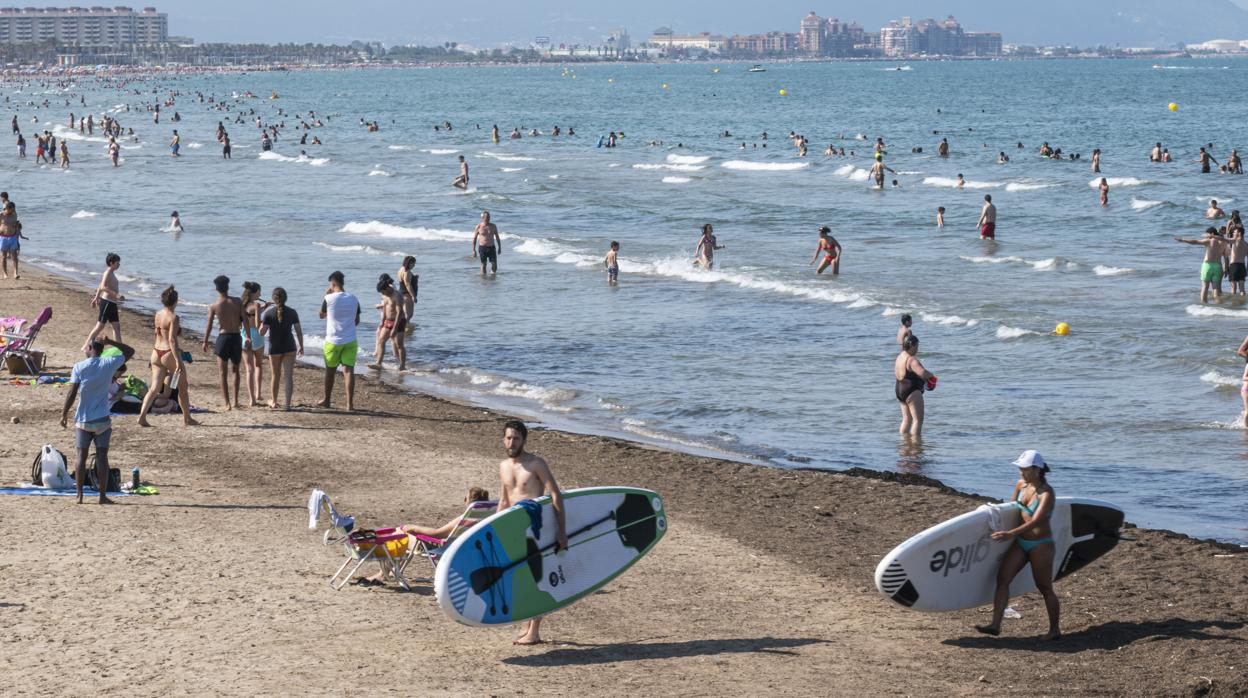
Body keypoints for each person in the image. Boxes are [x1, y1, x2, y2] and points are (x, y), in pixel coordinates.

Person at [975, 450, 1062, 641]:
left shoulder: (1047, 493)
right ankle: (995, 625)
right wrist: (991, 513)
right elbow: (1011, 507)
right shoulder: (1021, 484)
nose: (1021, 473)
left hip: (1041, 545)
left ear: (1037, 469)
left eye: (1024, 469)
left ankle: (1054, 629)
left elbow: (1037, 521)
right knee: (1003, 578)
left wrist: (1009, 534)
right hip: (1021, 542)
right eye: (1020, 469)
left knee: (1044, 586)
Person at [495, 420, 567, 645]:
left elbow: (555, 494)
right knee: (519, 577)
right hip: (514, 528)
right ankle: (527, 626)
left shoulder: (536, 464)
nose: (511, 442)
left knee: (536, 577)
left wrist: (561, 531)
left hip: (536, 528)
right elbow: (504, 500)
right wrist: (492, 528)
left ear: (524, 440)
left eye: (516, 438)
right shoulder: (503, 466)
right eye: (508, 437)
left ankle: (534, 632)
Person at [59, 337, 135, 504]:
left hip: (83, 420)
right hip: (102, 419)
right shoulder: (108, 364)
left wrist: (64, 413)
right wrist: (111, 342)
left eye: (86, 346)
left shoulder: (79, 367)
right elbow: (130, 351)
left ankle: (79, 495)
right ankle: (102, 496)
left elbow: (72, 393)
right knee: (102, 457)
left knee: (81, 456)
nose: (85, 349)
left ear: (91, 347)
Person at [318, 270, 361, 411]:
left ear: (333, 283)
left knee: (330, 371)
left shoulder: (329, 299)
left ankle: (327, 400)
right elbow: (357, 320)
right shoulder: (354, 298)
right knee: (349, 371)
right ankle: (350, 403)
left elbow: (321, 315)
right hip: (350, 340)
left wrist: (326, 295)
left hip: (333, 340)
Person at [203, 275, 245, 410]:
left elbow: (209, 325)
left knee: (222, 372)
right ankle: (236, 401)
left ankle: (227, 403)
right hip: (237, 337)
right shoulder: (238, 301)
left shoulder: (214, 305)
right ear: (228, 286)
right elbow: (244, 320)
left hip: (223, 337)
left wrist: (205, 341)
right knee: (236, 370)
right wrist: (248, 337)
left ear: (216, 288)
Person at [261, 286, 303, 410]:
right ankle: (287, 404)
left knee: (275, 375)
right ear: (286, 298)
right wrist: (301, 346)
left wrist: (261, 314)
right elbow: (299, 331)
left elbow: (262, 332)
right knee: (288, 376)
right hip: (290, 346)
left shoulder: (268, 313)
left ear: (274, 299)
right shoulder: (292, 312)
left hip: (274, 348)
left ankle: (274, 401)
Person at [895, 335, 935, 437]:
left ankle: (903, 441)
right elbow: (922, 373)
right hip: (911, 391)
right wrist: (932, 376)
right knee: (918, 420)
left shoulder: (899, 357)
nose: (917, 349)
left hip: (899, 389)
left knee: (906, 419)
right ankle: (915, 444)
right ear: (912, 345)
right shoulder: (911, 360)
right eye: (917, 346)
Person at [83, 252, 124, 353]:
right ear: (111, 263)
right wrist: (116, 295)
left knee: (116, 327)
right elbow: (103, 287)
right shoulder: (107, 273)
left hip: (112, 303)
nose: (119, 265)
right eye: (117, 263)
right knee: (100, 326)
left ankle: (120, 349)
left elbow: (100, 285)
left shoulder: (111, 273)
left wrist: (96, 297)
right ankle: (85, 345)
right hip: (107, 302)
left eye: (119, 263)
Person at [1174, 227, 1228, 303]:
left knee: (1205, 287)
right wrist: (1226, 268)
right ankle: (1218, 305)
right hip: (1218, 266)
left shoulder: (1209, 240)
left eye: (1207, 234)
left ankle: (1204, 306)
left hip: (1208, 265)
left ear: (1212, 234)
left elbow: (1195, 241)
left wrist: (1183, 240)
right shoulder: (1224, 243)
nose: (1205, 236)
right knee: (1216, 288)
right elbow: (1226, 257)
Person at [368, 274, 407, 371]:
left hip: (399, 321)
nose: (383, 294)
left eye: (383, 292)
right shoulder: (385, 296)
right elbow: (385, 309)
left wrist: (394, 328)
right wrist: (382, 322)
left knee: (399, 345)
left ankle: (402, 366)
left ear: (386, 288)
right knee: (381, 340)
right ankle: (378, 364)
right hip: (388, 321)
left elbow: (400, 312)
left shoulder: (397, 295)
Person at [240, 281, 268, 407]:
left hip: (244, 336)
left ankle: (252, 399)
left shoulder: (241, 304)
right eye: (259, 291)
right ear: (254, 292)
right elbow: (257, 324)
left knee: (249, 369)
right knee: (258, 365)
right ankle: (258, 393)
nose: (260, 293)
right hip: (256, 337)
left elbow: (248, 315)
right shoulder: (256, 305)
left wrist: (264, 307)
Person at [0, 200, 26, 279]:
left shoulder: (14, 214)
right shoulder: (1, 215)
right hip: (3, 237)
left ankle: (15, 273)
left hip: (12, 237)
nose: (13, 211)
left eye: (14, 209)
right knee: (3, 256)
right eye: (12, 209)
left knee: (14, 255)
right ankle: (5, 273)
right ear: (7, 209)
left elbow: (16, 224)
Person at [472, 210, 501, 274]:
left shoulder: (493, 226)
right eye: (487, 217)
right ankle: (484, 280)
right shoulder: (479, 226)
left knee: (494, 265)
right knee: (483, 264)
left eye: (489, 217)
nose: (488, 218)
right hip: (482, 248)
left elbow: (497, 237)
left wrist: (499, 247)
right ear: (482, 218)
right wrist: (473, 250)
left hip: (491, 247)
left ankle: (493, 276)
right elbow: (474, 238)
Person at [397, 256, 418, 330]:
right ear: (409, 263)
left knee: (404, 314)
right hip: (407, 295)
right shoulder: (407, 272)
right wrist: (413, 296)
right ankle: (404, 330)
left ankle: (402, 328)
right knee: (409, 314)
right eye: (413, 263)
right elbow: (407, 284)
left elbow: (403, 281)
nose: (414, 265)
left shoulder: (401, 269)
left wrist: (414, 277)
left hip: (401, 293)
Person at [1227, 226, 1247, 296]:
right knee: (1242, 289)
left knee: (1233, 289)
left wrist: (1213, 236)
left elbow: (1224, 239)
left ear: (1239, 233)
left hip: (1234, 266)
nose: (1233, 233)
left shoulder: (1235, 240)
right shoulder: (1246, 244)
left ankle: (1233, 306)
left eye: (1234, 232)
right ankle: (1243, 305)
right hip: (1242, 266)